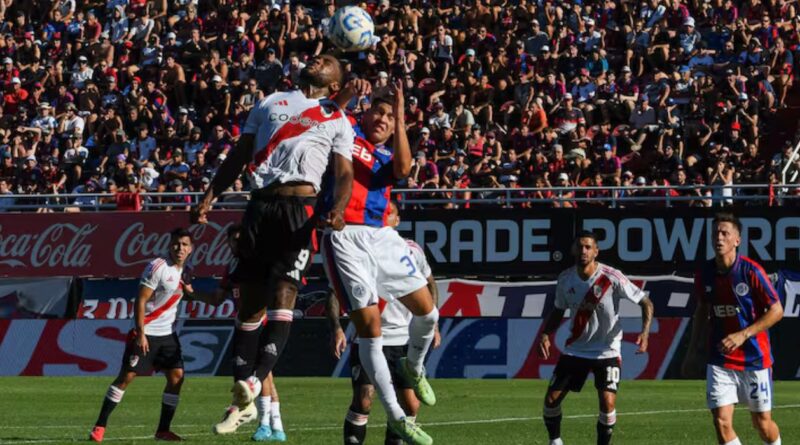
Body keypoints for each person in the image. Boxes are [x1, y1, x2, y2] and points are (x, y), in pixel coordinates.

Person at [190, 54, 366, 425]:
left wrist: (338, 206)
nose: (319, 58)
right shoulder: (270, 102)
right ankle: (243, 399)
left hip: (298, 209)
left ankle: (253, 382)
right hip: (259, 206)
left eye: (328, 60)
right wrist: (210, 194)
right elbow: (240, 154)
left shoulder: (337, 117)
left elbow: (345, 173)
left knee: (284, 292)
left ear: (335, 84)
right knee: (249, 306)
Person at [320, 81, 438, 445]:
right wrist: (348, 95)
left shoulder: (388, 157)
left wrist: (402, 115)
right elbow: (324, 112)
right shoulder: (347, 131)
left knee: (428, 313)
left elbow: (403, 169)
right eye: (379, 111)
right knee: (370, 329)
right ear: (365, 111)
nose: (383, 119)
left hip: (380, 236)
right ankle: (399, 417)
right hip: (345, 236)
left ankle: (414, 370)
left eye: (390, 115)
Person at [89, 228, 222, 443]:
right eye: (176, 244)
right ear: (170, 245)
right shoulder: (157, 267)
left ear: (191, 249)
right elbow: (140, 300)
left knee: (177, 377)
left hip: (167, 334)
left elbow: (185, 294)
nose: (180, 248)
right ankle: (99, 426)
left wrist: (210, 300)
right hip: (146, 331)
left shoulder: (187, 270)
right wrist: (141, 334)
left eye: (185, 245)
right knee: (127, 377)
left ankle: (163, 430)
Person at [327, 202, 441, 445]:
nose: (384, 216)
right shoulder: (355, 250)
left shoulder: (410, 250)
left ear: (397, 221)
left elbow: (430, 283)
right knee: (364, 399)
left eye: (390, 213)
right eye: (382, 212)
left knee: (411, 403)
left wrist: (434, 325)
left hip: (405, 338)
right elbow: (335, 293)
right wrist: (337, 327)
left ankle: (412, 378)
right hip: (372, 337)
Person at [537, 231, 654, 445]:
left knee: (607, 403)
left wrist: (645, 333)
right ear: (574, 249)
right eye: (580, 246)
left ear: (596, 251)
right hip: (576, 350)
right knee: (551, 401)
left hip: (607, 350)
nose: (583, 251)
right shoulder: (565, 279)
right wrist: (546, 333)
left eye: (588, 247)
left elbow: (645, 302)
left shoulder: (611, 277)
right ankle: (555, 442)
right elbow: (558, 310)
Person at [682, 213, 783, 445]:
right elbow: (701, 312)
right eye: (716, 233)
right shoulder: (705, 273)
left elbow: (776, 311)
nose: (719, 237)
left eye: (725, 233)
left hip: (755, 358)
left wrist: (743, 334)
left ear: (737, 240)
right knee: (721, 422)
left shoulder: (751, 271)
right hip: (720, 359)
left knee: (762, 423)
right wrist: (692, 351)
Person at [212, 225, 287, 442]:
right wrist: (190, 294)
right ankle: (276, 426)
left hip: (261, 323)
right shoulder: (233, 266)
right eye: (233, 240)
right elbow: (217, 299)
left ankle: (265, 424)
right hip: (247, 324)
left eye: (239, 239)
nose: (236, 243)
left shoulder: (256, 262)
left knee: (260, 374)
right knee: (264, 376)